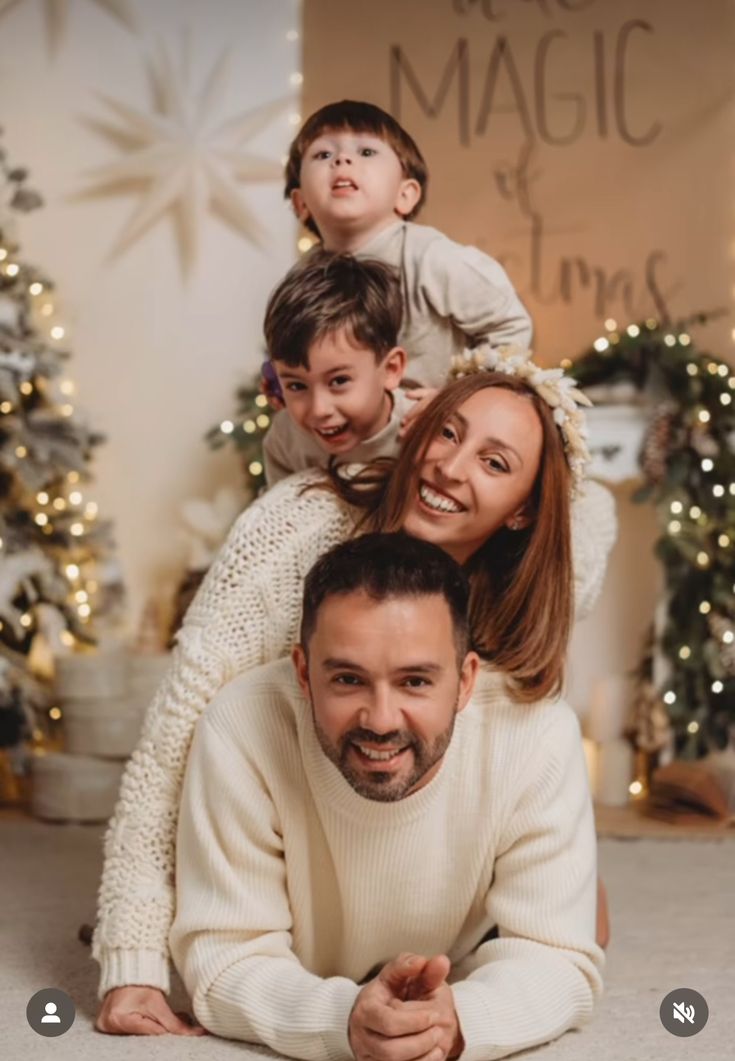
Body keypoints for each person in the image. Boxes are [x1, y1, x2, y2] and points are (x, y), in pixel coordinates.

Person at [94, 365, 616, 1035]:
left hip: (432, 841)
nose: (452, 468)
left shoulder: (529, 596)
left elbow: (593, 509)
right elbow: (172, 740)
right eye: (446, 433)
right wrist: (132, 953)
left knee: (582, 919)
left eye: (492, 461)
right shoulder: (298, 526)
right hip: (299, 801)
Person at [169, 533, 603, 1059]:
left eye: (415, 682)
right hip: (307, 960)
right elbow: (223, 959)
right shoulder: (242, 724)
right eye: (348, 679)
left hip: (470, 944)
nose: (379, 719)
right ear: (304, 673)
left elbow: (556, 959)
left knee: (586, 926)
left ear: (466, 680)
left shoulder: (537, 733)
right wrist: (341, 1018)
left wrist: (460, 1019)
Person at [282, 99, 533, 393]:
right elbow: (294, 346)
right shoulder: (303, 277)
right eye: (323, 154)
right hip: (350, 427)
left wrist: (458, 397)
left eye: (366, 152)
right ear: (301, 204)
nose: (342, 160)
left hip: (436, 422)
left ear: (405, 194)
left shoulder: (432, 258)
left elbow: (510, 327)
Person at [262, 251, 417, 485]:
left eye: (339, 381)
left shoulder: (421, 429)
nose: (319, 409)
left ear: (391, 369)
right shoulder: (284, 439)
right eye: (296, 385)